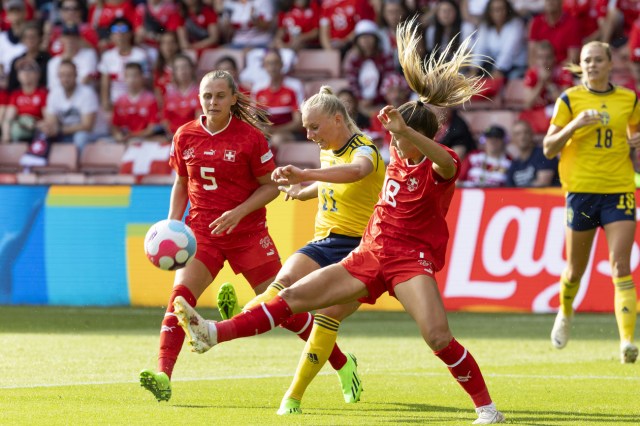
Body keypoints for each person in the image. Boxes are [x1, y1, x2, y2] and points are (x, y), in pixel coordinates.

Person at [172, 18, 506, 424]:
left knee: (437, 337)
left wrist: (408, 133)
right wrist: (307, 188)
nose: (395, 146)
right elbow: (355, 177)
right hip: (368, 252)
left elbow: (434, 159)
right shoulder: (395, 155)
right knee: (291, 298)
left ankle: (487, 409)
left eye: (400, 140)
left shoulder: (440, 165)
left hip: (409, 260)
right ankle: (213, 334)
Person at [138, 69, 356, 403]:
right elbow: (182, 181)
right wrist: (173, 225)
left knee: (285, 310)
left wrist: (238, 213)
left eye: (220, 96)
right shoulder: (184, 136)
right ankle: (163, 374)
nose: (212, 102)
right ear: (199, 98)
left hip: (248, 235)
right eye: (207, 96)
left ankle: (342, 364)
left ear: (233, 99)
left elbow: (270, 187)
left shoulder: (250, 138)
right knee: (179, 299)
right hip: (202, 234)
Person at [218, 83, 386, 413]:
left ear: (338, 120)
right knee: (280, 289)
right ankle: (236, 318)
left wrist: (305, 172)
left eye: (314, 127)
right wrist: (303, 191)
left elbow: (358, 172)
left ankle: (293, 396)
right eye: (306, 127)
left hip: (362, 250)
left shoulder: (365, 149)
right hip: (325, 242)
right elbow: (331, 181)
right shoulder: (329, 148)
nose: (309, 135)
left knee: (326, 316)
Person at [543, 41, 640, 364]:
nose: (593, 65)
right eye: (587, 60)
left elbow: (633, 135)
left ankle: (627, 341)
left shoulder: (628, 98)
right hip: (581, 192)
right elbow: (548, 148)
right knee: (575, 270)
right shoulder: (569, 99)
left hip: (619, 189)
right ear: (580, 64)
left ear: (611, 63)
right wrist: (575, 124)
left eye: (599, 60)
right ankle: (566, 312)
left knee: (620, 266)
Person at [506, 120, 558, 187]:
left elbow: (543, 183)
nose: (522, 137)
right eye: (518, 134)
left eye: (526, 132)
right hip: (521, 197)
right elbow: (509, 189)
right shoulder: (514, 164)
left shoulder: (544, 154)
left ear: (532, 134)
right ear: (512, 139)